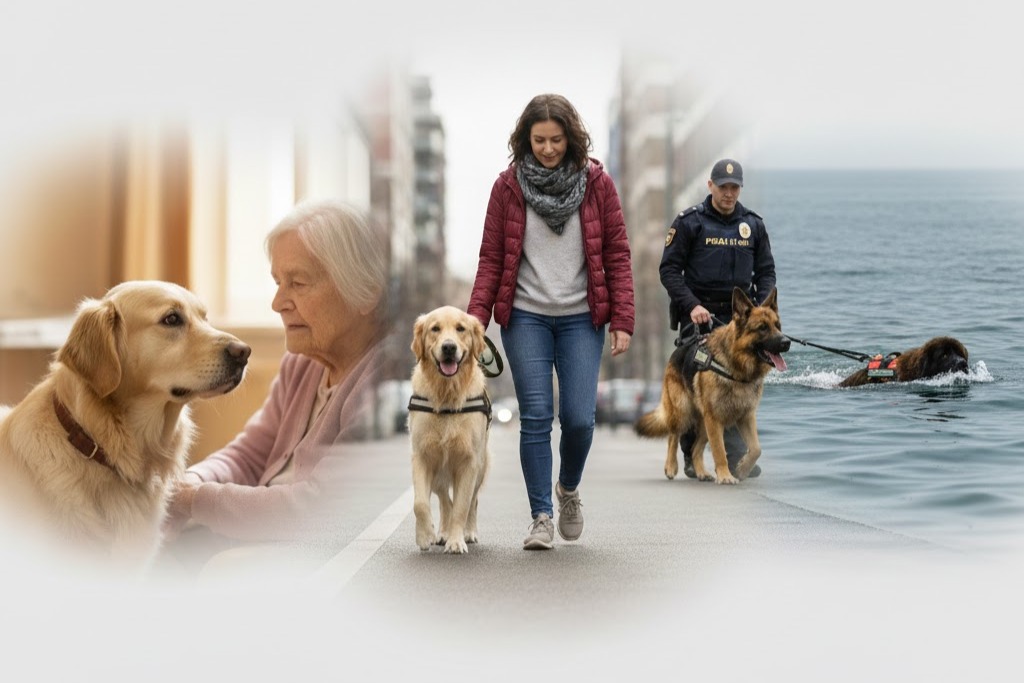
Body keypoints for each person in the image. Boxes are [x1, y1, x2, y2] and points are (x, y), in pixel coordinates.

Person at [160, 199, 390, 576]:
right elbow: (249, 455)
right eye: (277, 283)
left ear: (366, 291)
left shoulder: (387, 385)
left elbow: (318, 510)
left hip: (329, 555)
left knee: (216, 570)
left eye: (297, 283)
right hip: (262, 536)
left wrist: (192, 500)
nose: (278, 303)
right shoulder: (304, 361)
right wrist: (190, 483)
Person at [468, 93, 635, 550]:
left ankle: (568, 489)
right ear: (525, 139)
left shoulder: (598, 184)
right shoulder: (507, 188)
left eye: (555, 140)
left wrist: (623, 317)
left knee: (579, 420)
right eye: (538, 140)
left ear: (571, 138)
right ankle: (541, 515)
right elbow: (491, 260)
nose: (546, 148)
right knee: (537, 417)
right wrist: (473, 322)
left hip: (583, 317)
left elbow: (617, 254)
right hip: (526, 318)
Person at [659, 158, 777, 478]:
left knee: (742, 378)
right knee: (694, 375)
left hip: (740, 317)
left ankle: (737, 451)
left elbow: (766, 272)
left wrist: (760, 310)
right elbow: (669, 271)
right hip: (700, 317)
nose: (729, 193)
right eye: (723, 187)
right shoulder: (689, 222)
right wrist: (692, 305)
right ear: (710, 186)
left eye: (734, 187)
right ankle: (690, 452)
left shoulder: (753, 225)